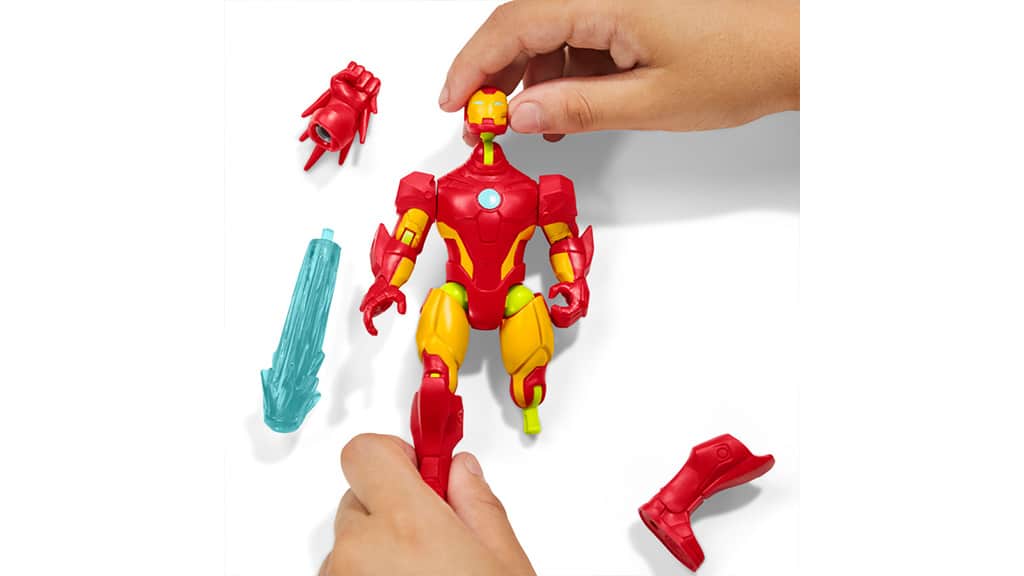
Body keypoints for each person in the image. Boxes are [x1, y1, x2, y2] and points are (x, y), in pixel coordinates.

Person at [321, 1, 798, 574]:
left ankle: (526, 399)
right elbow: (408, 236)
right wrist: (386, 282)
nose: (489, 120)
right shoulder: (438, 188)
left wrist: (573, 283)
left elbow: (562, 241)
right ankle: (434, 458)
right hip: (459, 293)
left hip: (514, 295)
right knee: (437, 372)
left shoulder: (538, 190)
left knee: (528, 357)